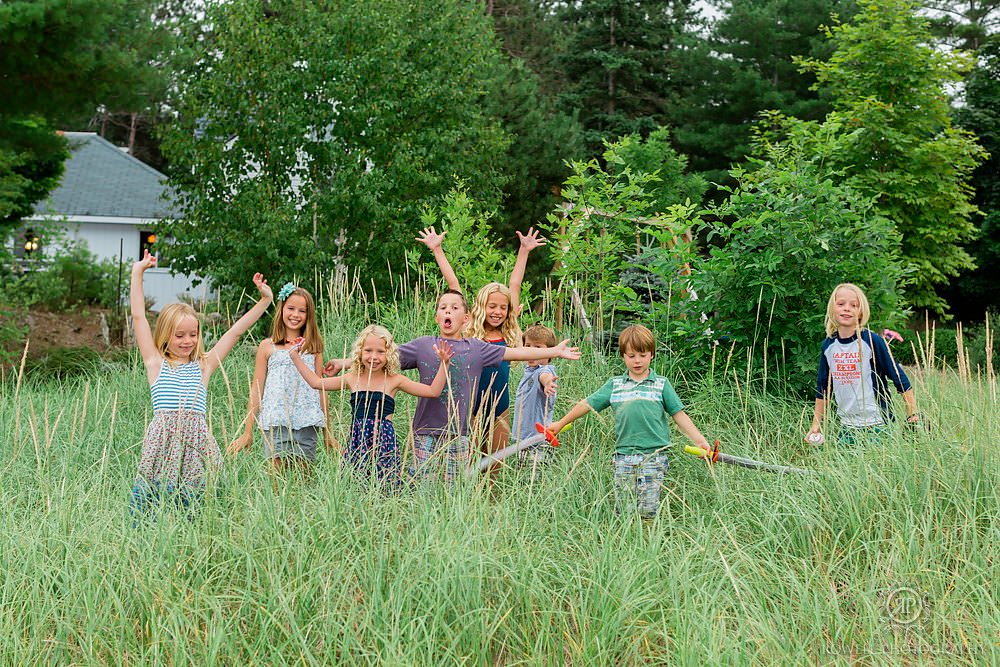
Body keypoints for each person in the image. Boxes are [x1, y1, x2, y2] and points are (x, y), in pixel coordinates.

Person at [129, 249, 273, 515]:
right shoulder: (155, 363)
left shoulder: (203, 365)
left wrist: (265, 300)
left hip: (197, 441)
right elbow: (139, 317)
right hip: (162, 441)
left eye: (192, 334)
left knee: (199, 503)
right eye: (179, 335)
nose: (187, 341)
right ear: (165, 335)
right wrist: (138, 273)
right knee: (155, 503)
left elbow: (236, 330)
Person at [391, 289, 581, 483]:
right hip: (424, 431)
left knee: (454, 488)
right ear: (437, 317)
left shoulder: (475, 348)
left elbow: (515, 353)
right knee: (423, 487)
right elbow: (387, 358)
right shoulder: (423, 345)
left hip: (460, 434)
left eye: (454, 308)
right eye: (443, 307)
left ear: (466, 319)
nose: (448, 311)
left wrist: (554, 351)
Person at [416, 225, 546, 471]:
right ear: (480, 307)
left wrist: (524, 251)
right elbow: (453, 284)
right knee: (471, 468)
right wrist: (437, 250)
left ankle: (492, 507)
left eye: (502, 307)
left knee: (495, 465)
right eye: (492, 306)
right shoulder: (469, 332)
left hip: (500, 408)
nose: (497, 312)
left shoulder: (509, 331)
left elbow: (515, 284)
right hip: (470, 409)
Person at [547, 325, 710, 519]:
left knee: (648, 507)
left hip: (654, 456)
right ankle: (627, 540)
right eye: (631, 356)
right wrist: (560, 423)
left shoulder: (661, 385)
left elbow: (679, 416)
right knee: (624, 508)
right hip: (624, 456)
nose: (637, 361)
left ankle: (648, 541)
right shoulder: (615, 385)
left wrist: (699, 440)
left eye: (642, 355)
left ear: (652, 354)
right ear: (623, 356)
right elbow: (587, 404)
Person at [290, 325, 453, 486]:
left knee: (384, 486)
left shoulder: (394, 380)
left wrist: (444, 364)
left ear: (388, 354)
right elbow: (316, 382)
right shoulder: (352, 378)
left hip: (384, 442)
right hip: (357, 441)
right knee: (356, 484)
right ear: (360, 352)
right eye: (368, 350)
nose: (374, 357)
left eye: (380, 352)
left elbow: (433, 391)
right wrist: (295, 357)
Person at [227, 283, 332, 467]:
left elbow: (321, 388)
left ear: (309, 315)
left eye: (302, 310)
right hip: (276, 421)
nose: (295, 315)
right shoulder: (267, 346)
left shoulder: (313, 347)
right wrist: (248, 431)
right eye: (291, 308)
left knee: (303, 479)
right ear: (282, 309)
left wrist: (328, 432)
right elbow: (257, 388)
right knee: (276, 481)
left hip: (306, 421)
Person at [806, 283, 919, 445]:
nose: (847, 308)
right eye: (841, 304)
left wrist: (912, 413)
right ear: (832, 309)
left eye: (854, 305)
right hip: (846, 427)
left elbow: (899, 377)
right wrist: (816, 424)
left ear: (861, 312)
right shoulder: (828, 346)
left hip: (878, 424)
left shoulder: (872, 341)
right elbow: (823, 388)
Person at [511, 324, 559, 466]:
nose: (531, 351)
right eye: (528, 346)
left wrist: (548, 383)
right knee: (522, 480)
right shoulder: (529, 371)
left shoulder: (543, 370)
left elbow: (544, 376)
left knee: (534, 481)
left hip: (538, 441)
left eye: (537, 348)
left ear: (550, 353)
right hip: (524, 440)